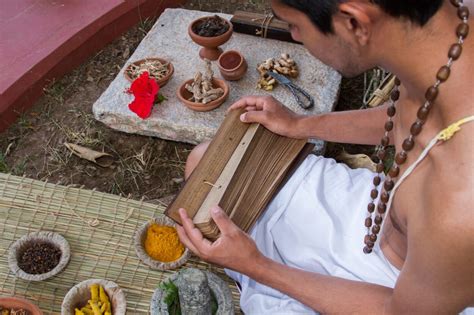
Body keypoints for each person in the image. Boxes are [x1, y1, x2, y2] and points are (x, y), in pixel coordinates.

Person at [177, 0, 474, 313]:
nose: (294, 36)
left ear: (354, 23)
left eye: (294, 25)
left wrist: (256, 266)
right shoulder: (449, 27)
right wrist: (300, 125)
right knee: (203, 163)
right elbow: (414, 116)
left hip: (404, 292)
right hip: (378, 216)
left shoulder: (459, 207)